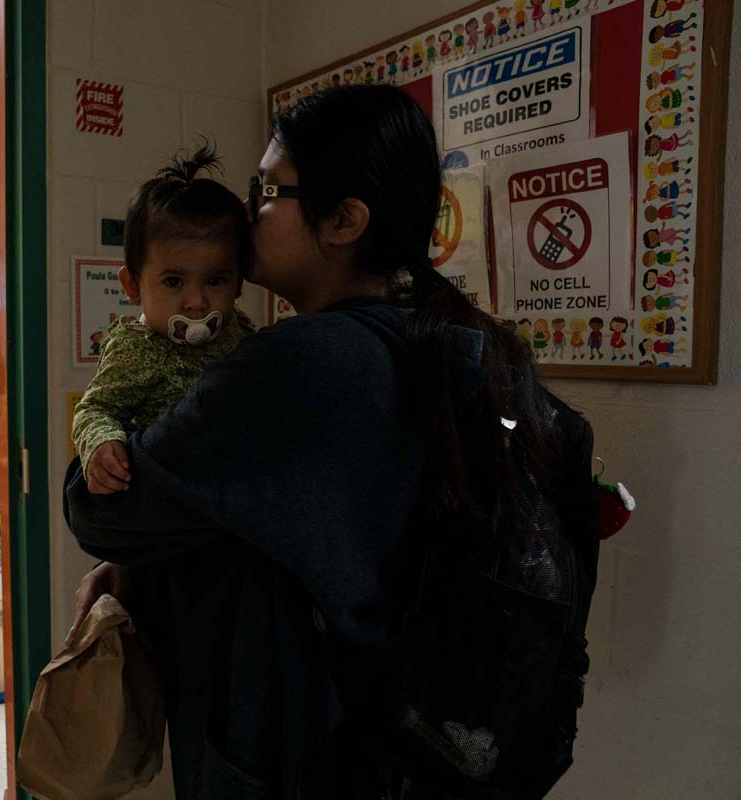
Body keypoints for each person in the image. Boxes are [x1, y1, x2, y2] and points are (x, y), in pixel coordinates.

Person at [65, 85, 573, 798]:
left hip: (303, 750)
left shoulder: (302, 364)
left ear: (343, 220)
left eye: (266, 190)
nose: (249, 212)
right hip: (420, 748)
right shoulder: (469, 344)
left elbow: (98, 509)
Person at [72, 143, 252, 496]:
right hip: (167, 496)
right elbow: (94, 408)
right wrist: (102, 445)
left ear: (239, 282)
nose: (197, 302)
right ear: (133, 285)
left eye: (216, 281)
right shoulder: (134, 348)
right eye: (173, 282)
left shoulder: (241, 331)